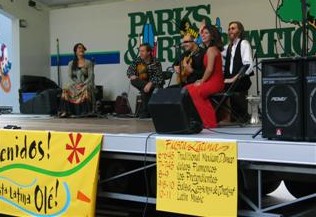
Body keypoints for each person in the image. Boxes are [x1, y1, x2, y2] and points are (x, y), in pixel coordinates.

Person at [185, 23, 225, 128]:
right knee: (186, 89)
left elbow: (210, 69)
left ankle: (210, 122)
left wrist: (201, 81)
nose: (203, 35)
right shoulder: (208, 49)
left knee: (196, 91)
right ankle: (197, 119)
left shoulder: (212, 49)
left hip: (215, 82)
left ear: (212, 36)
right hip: (210, 81)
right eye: (202, 33)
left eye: (206, 33)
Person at [221, 21, 254, 122]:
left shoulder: (244, 43)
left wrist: (234, 78)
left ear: (239, 31)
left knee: (240, 113)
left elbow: (248, 65)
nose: (230, 30)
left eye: (233, 28)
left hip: (240, 80)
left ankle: (241, 118)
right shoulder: (228, 47)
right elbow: (217, 51)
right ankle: (223, 117)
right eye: (229, 29)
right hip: (229, 80)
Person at [127, 43, 164, 118]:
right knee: (134, 81)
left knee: (146, 90)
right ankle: (146, 112)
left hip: (154, 84)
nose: (140, 53)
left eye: (143, 51)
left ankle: (145, 112)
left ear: (149, 52)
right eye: (140, 51)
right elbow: (129, 70)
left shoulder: (156, 62)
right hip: (143, 84)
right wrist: (131, 75)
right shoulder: (138, 60)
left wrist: (150, 84)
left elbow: (158, 77)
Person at [59, 43, 95, 117]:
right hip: (74, 84)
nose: (81, 49)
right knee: (66, 88)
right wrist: (75, 85)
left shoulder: (88, 62)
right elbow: (69, 77)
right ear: (75, 51)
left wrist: (83, 84)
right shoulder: (71, 63)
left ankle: (84, 112)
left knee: (86, 89)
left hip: (85, 83)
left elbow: (91, 76)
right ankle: (66, 111)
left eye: (82, 48)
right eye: (79, 48)